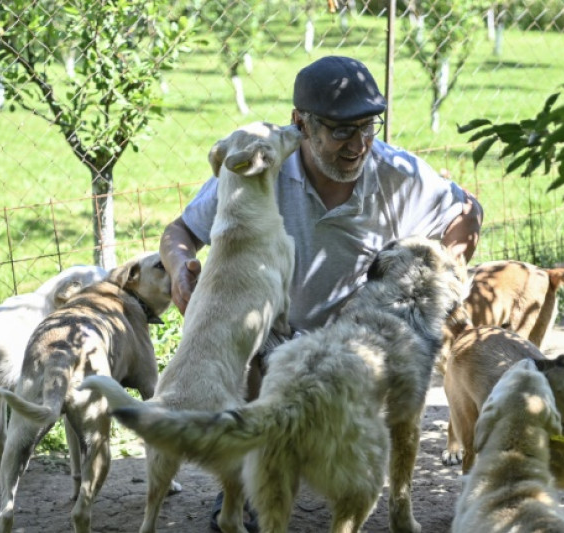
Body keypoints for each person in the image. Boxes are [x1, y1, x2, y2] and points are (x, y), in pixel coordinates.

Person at [158, 55, 482, 532]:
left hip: (355, 339)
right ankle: (250, 480)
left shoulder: (398, 173)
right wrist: (179, 269)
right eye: (341, 130)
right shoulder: (262, 165)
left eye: (367, 127)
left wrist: (448, 267)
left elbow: (466, 211)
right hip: (274, 333)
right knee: (253, 346)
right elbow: (181, 231)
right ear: (301, 124)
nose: (359, 144)